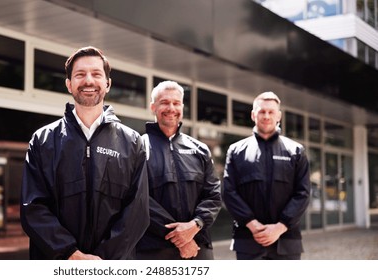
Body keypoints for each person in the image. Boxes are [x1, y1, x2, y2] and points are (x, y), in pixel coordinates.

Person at [20, 46, 149, 260]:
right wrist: (71, 254)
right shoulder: (42, 141)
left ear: (108, 84)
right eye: (80, 74)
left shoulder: (132, 142)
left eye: (96, 74)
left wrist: (102, 261)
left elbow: (137, 211)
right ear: (69, 84)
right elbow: (32, 209)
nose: (88, 80)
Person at [136, 80, 222, 260]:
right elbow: (138, 198)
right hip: (154, 251)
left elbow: (213, 194)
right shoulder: (137, 148)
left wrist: (196, 224)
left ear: (182, 107)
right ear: (153, 107)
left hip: (199, 248)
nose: (171, 108)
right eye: (164, 102)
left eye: (176, 103)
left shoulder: (200, 149)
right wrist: (181, 239)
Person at [222, 91, 310, 260]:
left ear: (279, 116)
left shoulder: (296, 151)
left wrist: (280, 227)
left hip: (286, 241)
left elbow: (303, 193)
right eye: (262, 111)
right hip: (248, 240)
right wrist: (252, 225)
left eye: (271, 112)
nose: (266, 116)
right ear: (253, 115)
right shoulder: (236, 151)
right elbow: (229, 192)